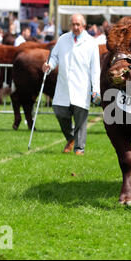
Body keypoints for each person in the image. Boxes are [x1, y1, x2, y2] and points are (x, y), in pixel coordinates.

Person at [42, 14, 101, 155]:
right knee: (59, 111)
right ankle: (71, 138)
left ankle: (79, 148)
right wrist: (49, 66)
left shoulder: (91, 43)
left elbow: (95, 69)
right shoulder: (63, 39)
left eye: (78, 25)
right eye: (73, 24)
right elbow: (54, 56)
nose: (75, 27)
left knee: (80, 118)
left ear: (84, 26)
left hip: (82, 85)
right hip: (64, 85)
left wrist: (96, 89)